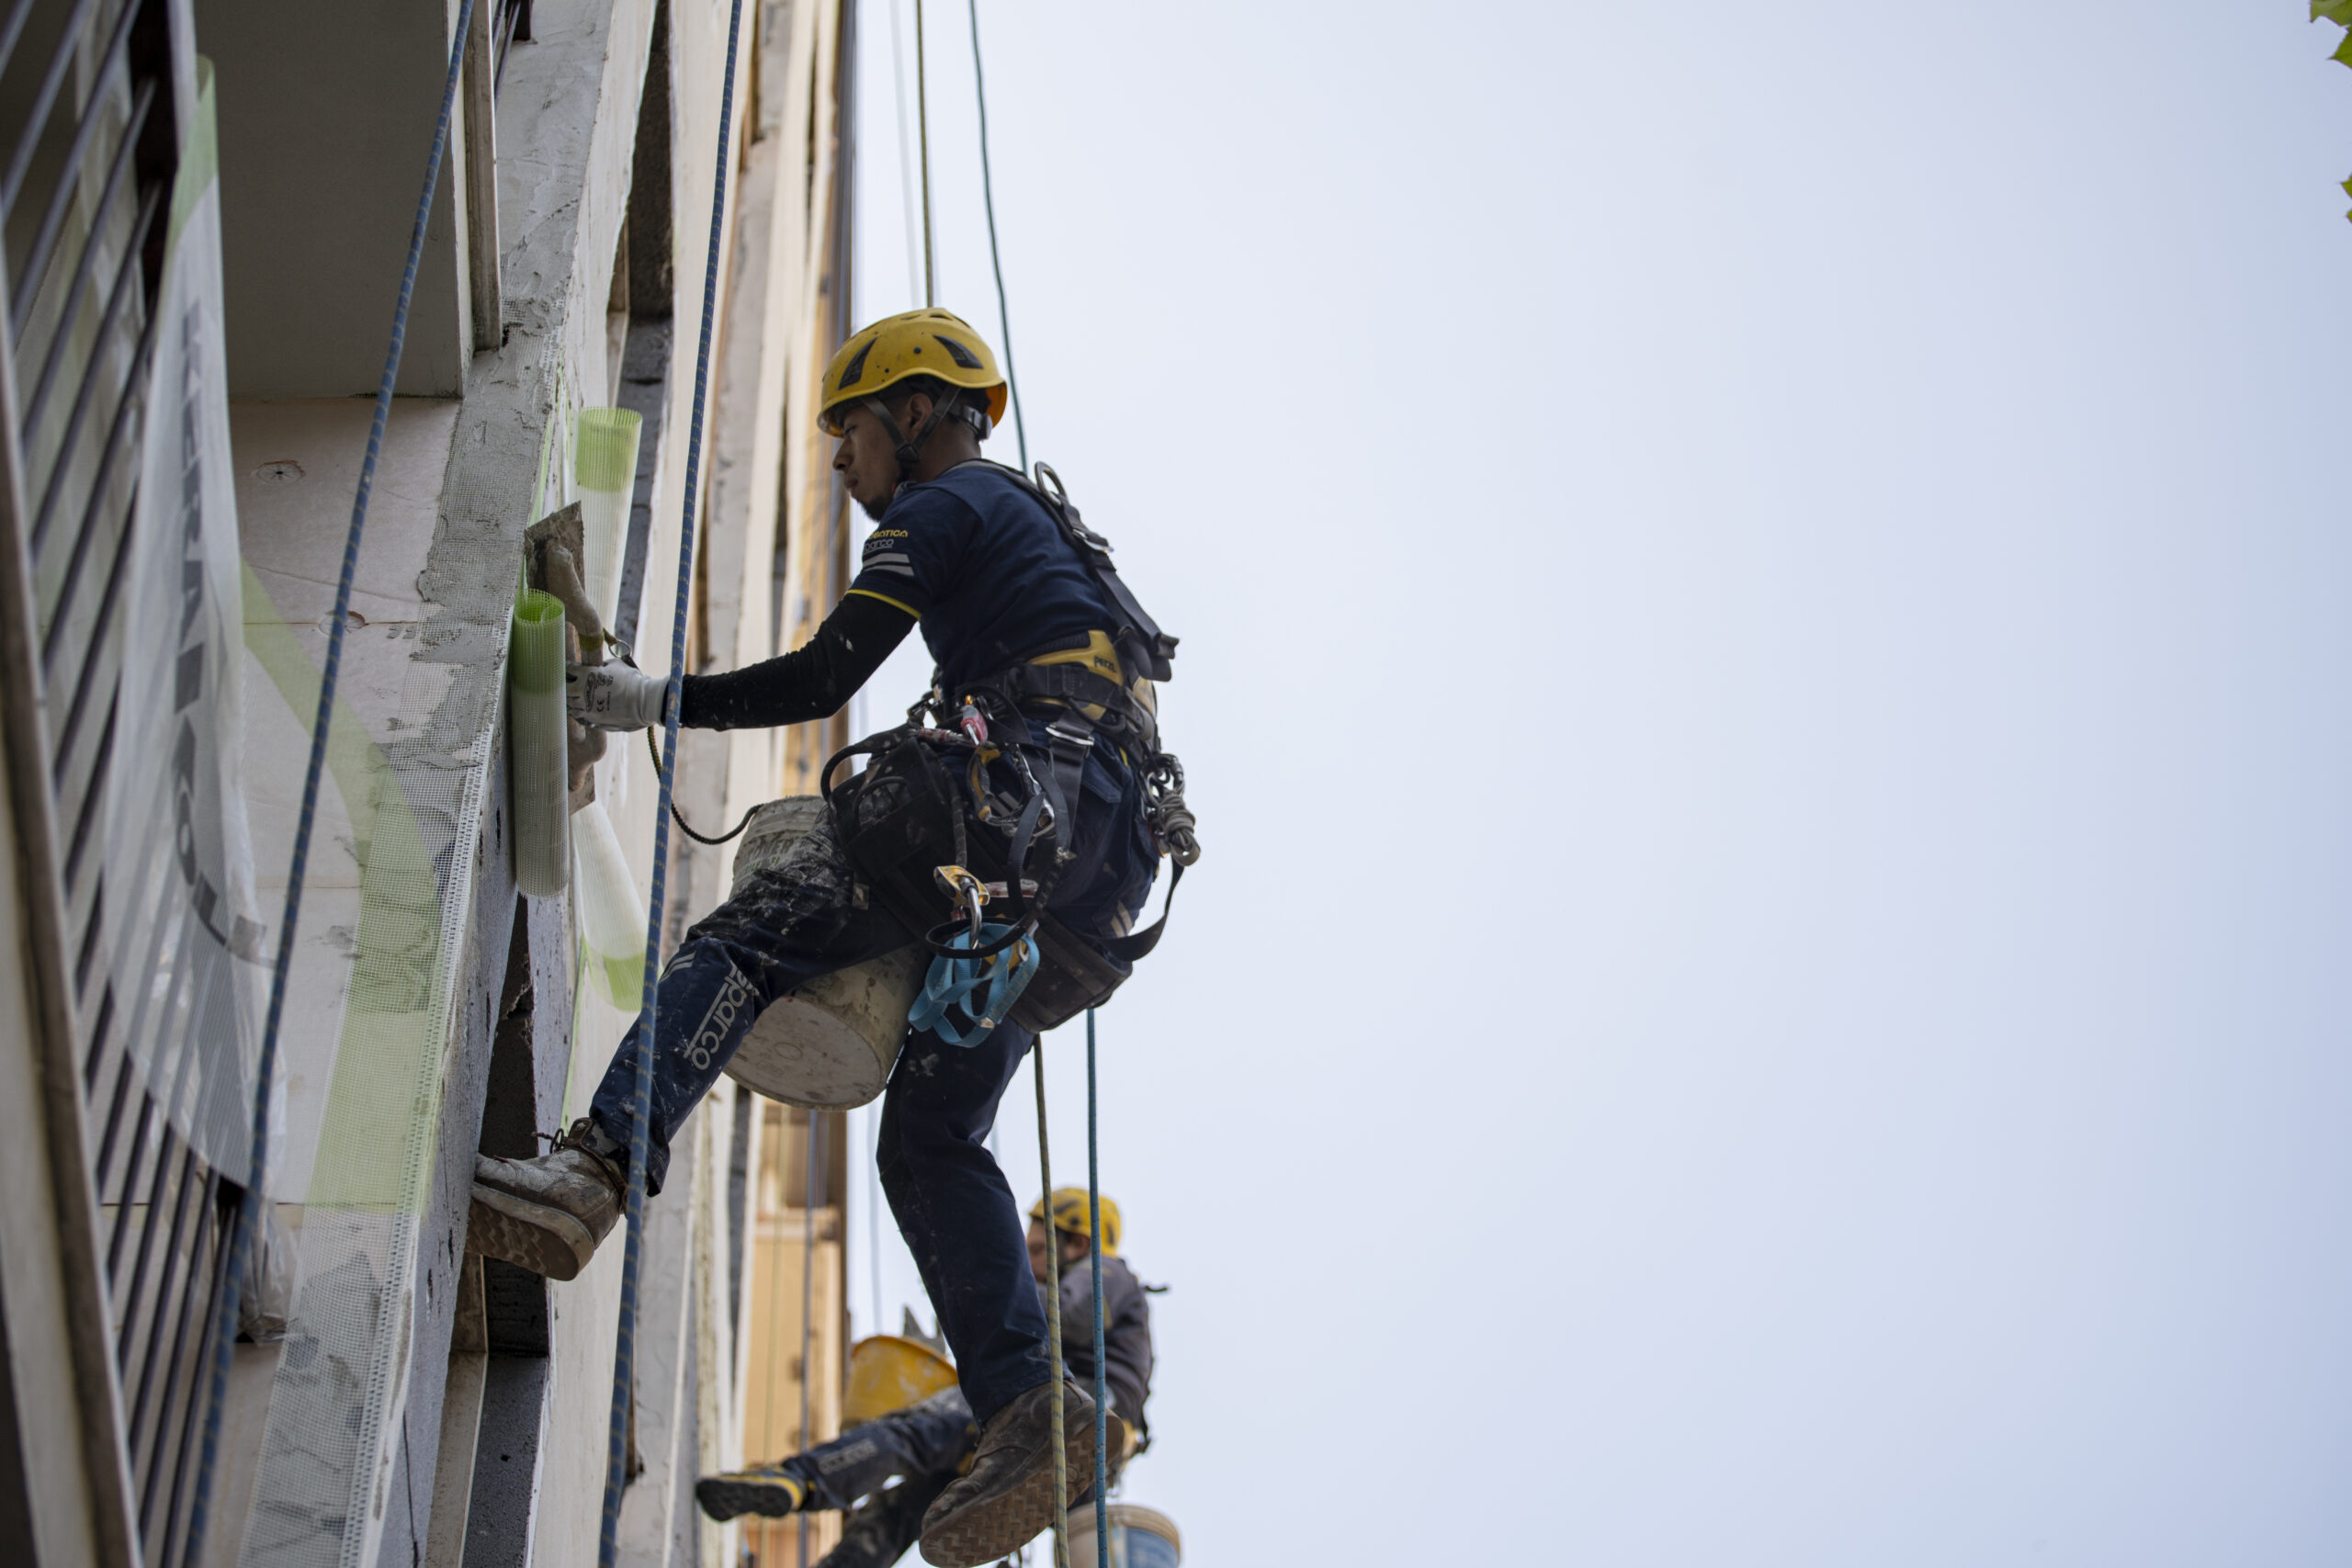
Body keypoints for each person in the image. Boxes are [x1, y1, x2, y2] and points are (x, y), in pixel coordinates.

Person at [463, 308, 1184, 1568]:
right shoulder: (1040, 543)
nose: (842, 464)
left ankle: (589, 1175)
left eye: (848, 430)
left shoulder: (950, 507)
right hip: (1092, 882)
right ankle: (1028, 1409)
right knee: (930, 1136)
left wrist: (650, 698)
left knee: (749, 938)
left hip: (1030, 808)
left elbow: (822, 674)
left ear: (912, 413)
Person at [695, 1190, 1157, 1568]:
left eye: (1037, 1250)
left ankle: (799, 1478)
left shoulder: (1109, 1274)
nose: (1029, 1261)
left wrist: (988, 1283)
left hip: (1054, 1409)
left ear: (1076, 1244)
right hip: (1065, 1446)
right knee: (905, 1511)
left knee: (916, 1431)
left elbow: (1068, 1313)